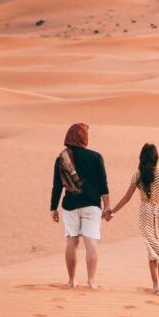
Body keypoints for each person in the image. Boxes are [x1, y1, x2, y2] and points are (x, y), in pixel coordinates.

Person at [107, 142, 159, 294]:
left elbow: (126, 197)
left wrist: (113, 212)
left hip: (145, 213)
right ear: (156, 157)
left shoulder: (138, 175)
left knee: (152, 249)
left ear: (142, 157)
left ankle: (155, 285)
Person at [49, 123, 111, 288]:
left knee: (71, 243)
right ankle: (91, 282)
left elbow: (57, 186)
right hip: (92, 206)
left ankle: (71, 281)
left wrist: (53, 208)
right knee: (91, 243)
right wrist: (107, 206)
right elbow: (103, 184)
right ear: (83, 137)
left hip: (70, 206)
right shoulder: (96, 157)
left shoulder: (62, 158)